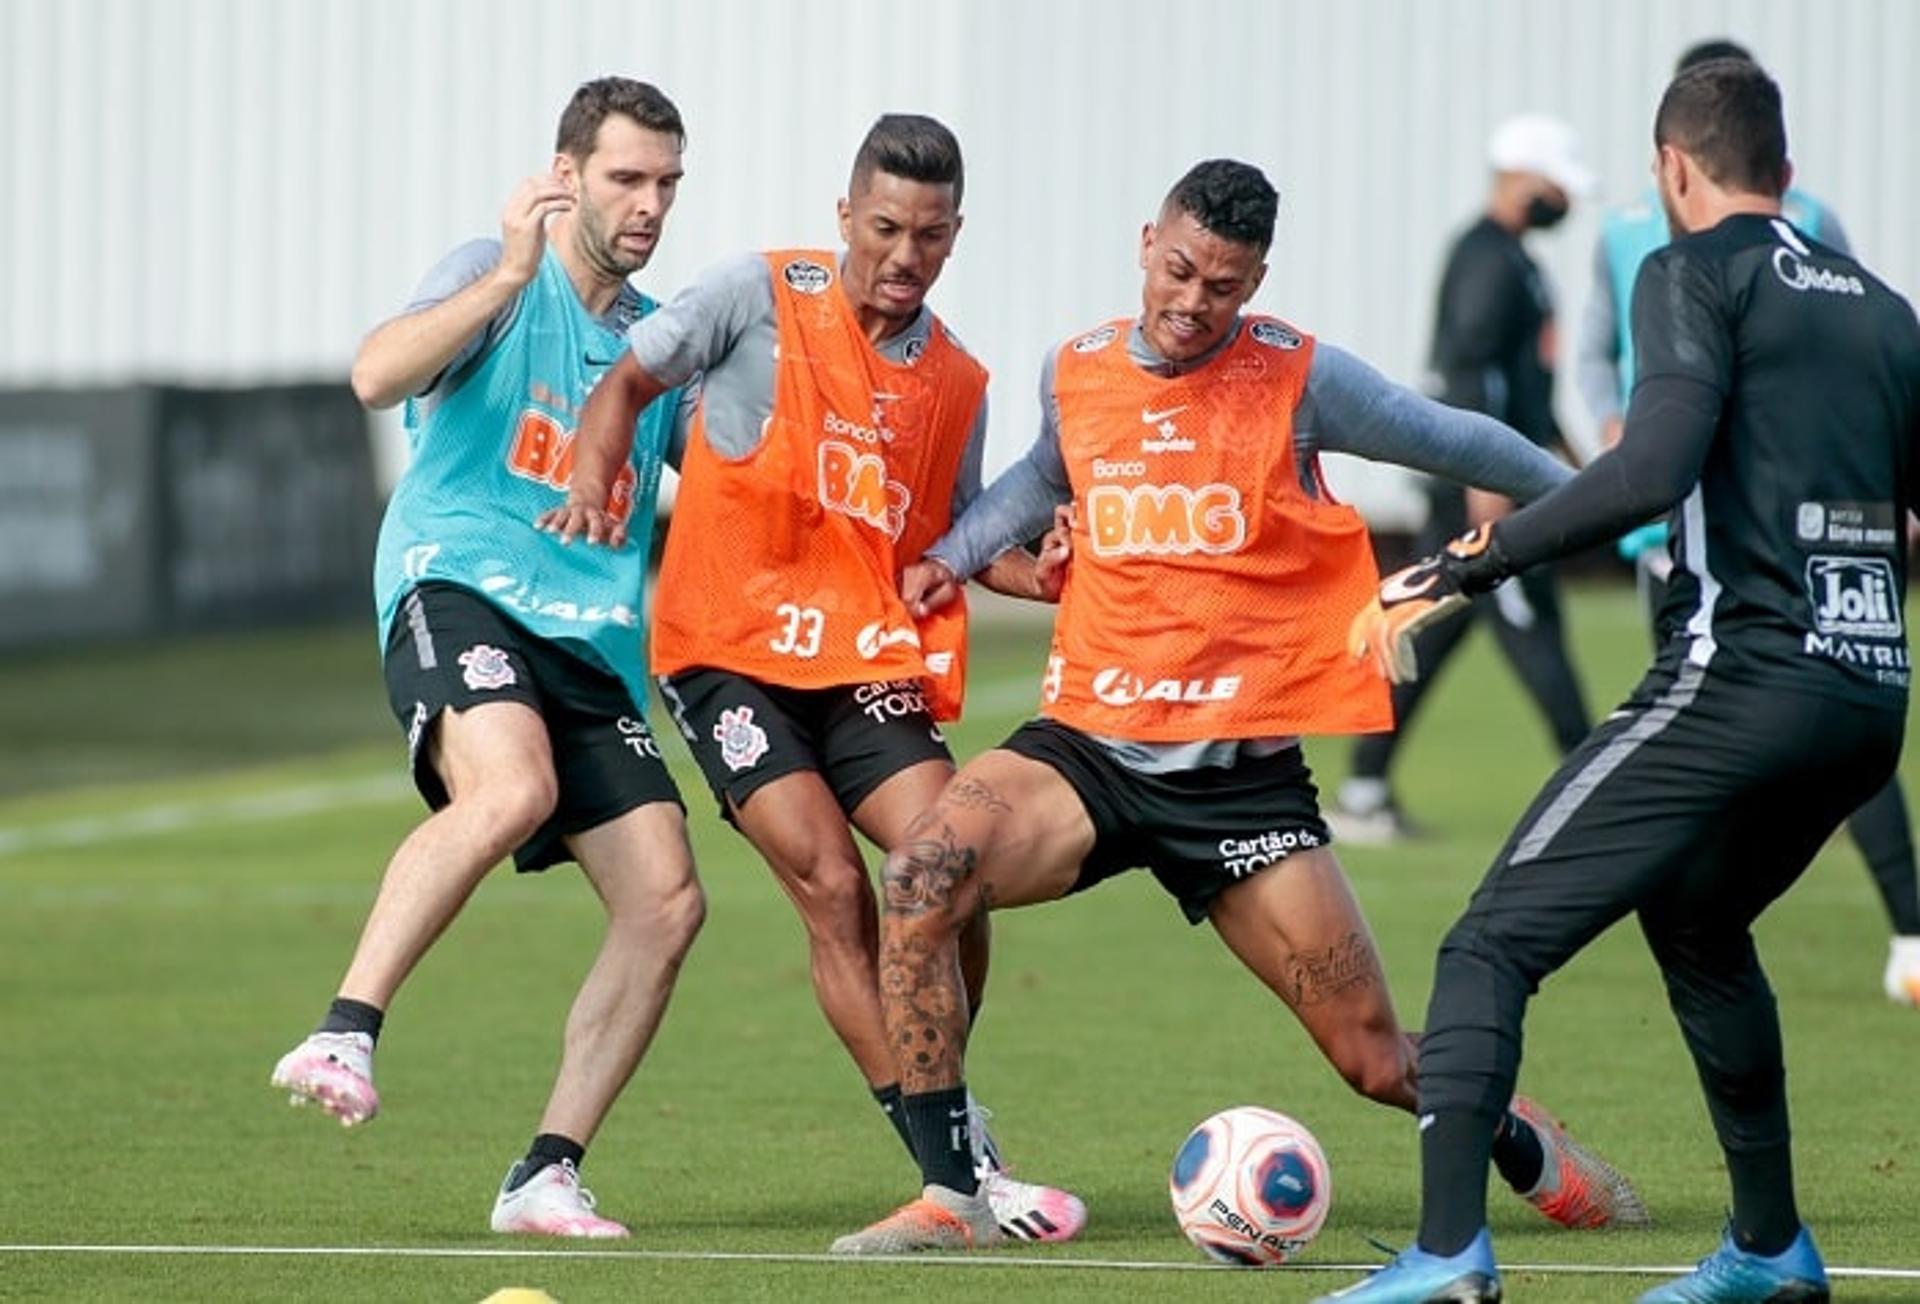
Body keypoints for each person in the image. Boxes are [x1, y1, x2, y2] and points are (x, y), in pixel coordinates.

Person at [829, 159, 1649, 1254]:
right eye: (1177, 270)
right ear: (1145, 242)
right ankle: (954, 1192)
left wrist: (1619, 499)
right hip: (1087, 747)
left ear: (1255, 279)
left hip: (1239, 783)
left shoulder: (1300, 378)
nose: (1190, 302)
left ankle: (1519, 1133)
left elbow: (1456, 440)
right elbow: (1040, 474)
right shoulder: (1073, 368)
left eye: (1221, 285)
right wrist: (952, 553)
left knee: (1375, 1060)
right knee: (923, 873)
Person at [1332, 57, 1920, 1303]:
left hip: (1736, 682)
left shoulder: (1685, 268)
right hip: (1869, 702)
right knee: (1700, 926)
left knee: (1489, 941)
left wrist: (1462, 561)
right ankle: (1770, 1248)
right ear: (1789, 176)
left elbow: (1648, 469)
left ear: (1671, 169)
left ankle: (1446, 1257)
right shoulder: (1884, 307)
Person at [537, 113, 1085, 1243]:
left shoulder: (959, 379)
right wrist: (595, 479)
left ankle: (948, 1123)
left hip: (862, 658)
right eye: (884, 226)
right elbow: (625, 387)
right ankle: (961, 1163)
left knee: (952, 859)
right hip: (727, 653)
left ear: (955, 236)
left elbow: (948, 543)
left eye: (929, 236)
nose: (903, 253)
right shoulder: (756, 292)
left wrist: (1053, 569)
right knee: (835, 885)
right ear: (847, 215)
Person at [266, 78, 705, 1239]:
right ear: (565, 175)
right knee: (514, 787)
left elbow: (706, 498)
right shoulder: (493, 268)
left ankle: (545, 1174)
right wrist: (509, 274)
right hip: (455, 583)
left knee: (666, 898)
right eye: (625, 177)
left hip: (590, 646)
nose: (649, 202)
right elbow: (376, 374)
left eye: (666, 182)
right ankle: (344, 1027)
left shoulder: (657, 346)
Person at [1577, 37, 1920, 1010]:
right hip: (1668, 526)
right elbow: (1596, 355)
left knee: (1831, 725)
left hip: (1797, 535)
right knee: (1694, 735)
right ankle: (1695, 929)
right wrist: (1613, 425)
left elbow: (1857, 359)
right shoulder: (1624, 236)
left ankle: (1908, 924)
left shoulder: (1812, 228)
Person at [1331, 114, 1594, 846]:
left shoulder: (1519, 261)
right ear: (1520, 176)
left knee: (1427, 633)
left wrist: (1565, 461)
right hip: (1481, 492)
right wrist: (1491, 484)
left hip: (1495, 481)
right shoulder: (1485, 257)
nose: (1563, 201)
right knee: (1534, 630)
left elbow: (1527, 385)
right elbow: (1471, 370)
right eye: (1556, 186)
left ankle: (1363, 786)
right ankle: (1596, 786)